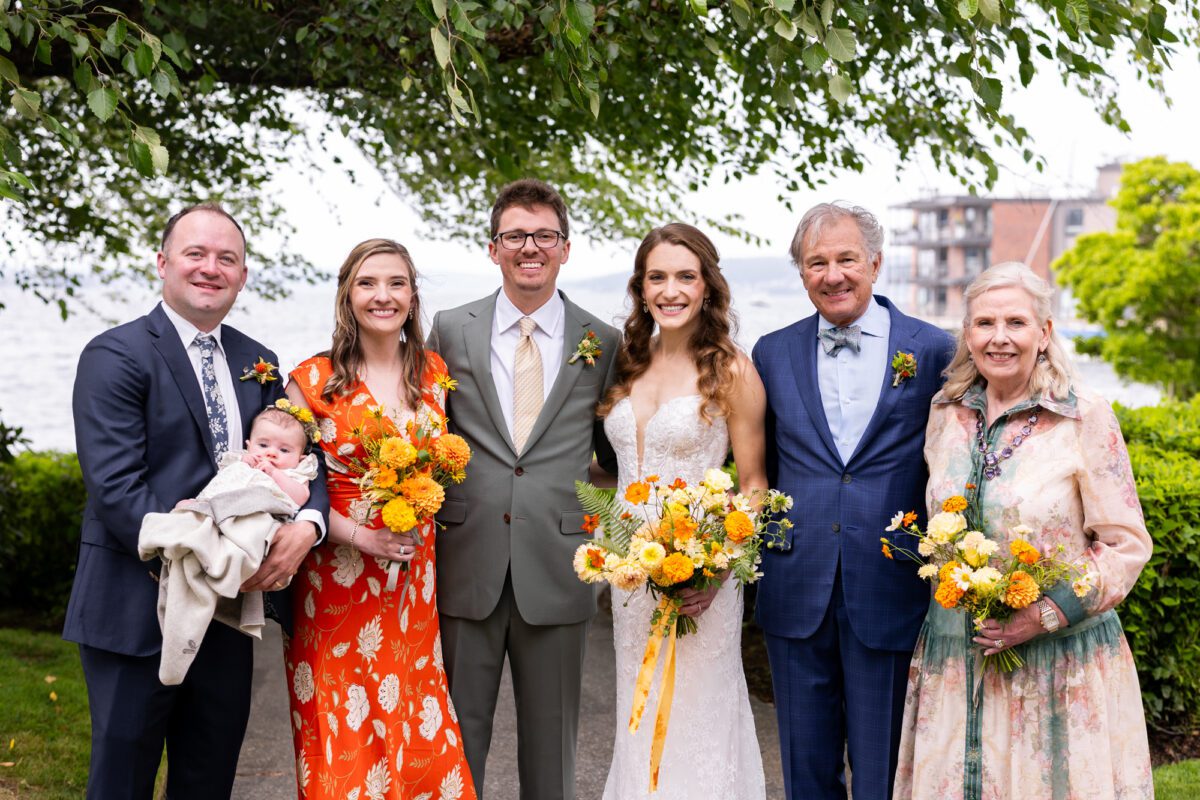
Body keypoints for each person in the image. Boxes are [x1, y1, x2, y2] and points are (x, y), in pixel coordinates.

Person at [64, 203, 328, 799]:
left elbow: (306, 456)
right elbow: (117, 489)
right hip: (135, 606)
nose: (211, 268)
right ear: (163, 263)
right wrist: (213, 554)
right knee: (121, 782)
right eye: (195, 254)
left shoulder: (256, 361)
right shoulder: (115, 356)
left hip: (229, 613)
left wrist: (307, 524)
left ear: (242, 274)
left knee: (207, 780)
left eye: (226, 258)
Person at [893, 262, 1154, 800]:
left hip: (1056, 662)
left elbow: (1126, 546)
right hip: (955, 655)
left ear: (1045, 333)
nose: (1000, 337)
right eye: (985, 323)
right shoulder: (945, 415)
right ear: (967, 335)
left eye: (1016, 322)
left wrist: (1042, 613)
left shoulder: (1085, 417)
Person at [751, 202, 955, 800]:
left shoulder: (933, 348)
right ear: (801, 272)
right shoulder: (771, 352)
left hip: (890, 580)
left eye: (846, 259)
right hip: (796, 577)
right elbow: (753, 464)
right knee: (804, 764)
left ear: (875, 263)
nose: (833, 275)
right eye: (817, 263)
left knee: (884, 768)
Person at [426, 178, 621, 799]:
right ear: (493, 248)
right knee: (457, 741)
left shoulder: (604, 340)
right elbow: (429, 434)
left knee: (552, 747)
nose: (529, 247)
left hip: (561, 562)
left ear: (565, 247)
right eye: (515, 236)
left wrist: (601, 533)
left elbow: (616, 459)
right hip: (467, 558)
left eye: (544, 236)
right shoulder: (451, 329)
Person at [282, 238, 475, 799]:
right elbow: (289, 490)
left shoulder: (434, 374)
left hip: (412, 584)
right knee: (345, 734)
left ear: (413, 297)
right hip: (336, 583)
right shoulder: (312, 381)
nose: (382, 296)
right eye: (367, 283)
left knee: (416, 724)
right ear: (347, 296)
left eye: (396, 283)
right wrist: (359, 534)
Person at [596, 223, 769, 799]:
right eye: (657, 277)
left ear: (707, 287)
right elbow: (615, 472)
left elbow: (753, 485)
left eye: (685, 277)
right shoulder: (627, 363)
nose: (671, 290)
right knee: (636, 705)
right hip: (629, 575)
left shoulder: (731, 370)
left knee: (698, 708)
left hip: (703, 576)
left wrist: (718, 570)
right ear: (641, 289)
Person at [138, 403, 320, 685]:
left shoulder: (297, 474)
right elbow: (220, 485)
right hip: (219, 513)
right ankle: (179, 628)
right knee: (189, 542)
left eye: (285, 451)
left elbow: (298, 498)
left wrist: (275, 474)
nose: (271, 453)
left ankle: (208, 581)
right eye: (263, 444)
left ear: (301, 456)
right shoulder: (240, 460)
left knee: (230, 550)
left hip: (257, 519)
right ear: (249, 444)